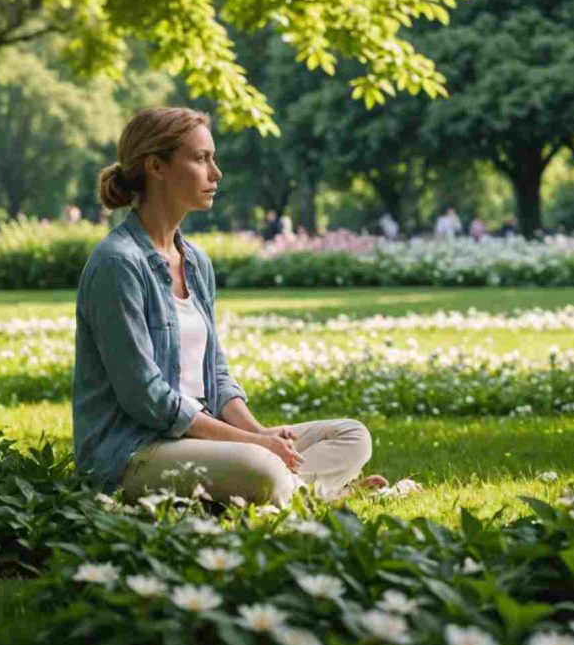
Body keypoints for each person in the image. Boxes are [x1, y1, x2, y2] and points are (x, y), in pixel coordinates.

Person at [74, 107, 387, 506]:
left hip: (203, 438)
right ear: (157, 167)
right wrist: (254, 445)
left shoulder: (196, 262)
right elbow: (146, 399)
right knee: (261, 468)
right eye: (201, 159)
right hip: (135, 453)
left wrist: (264, 434)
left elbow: (216, 377)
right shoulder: (118, 263)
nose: (216, 173)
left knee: (352, 435)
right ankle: (316, 492)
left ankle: (294, 489)